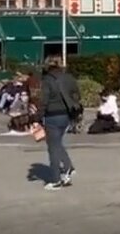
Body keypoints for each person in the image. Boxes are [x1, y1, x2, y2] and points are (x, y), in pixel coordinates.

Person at [40, 56, 82, 191]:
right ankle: (68, 168)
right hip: (66, 115)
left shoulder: (47, 80)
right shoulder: (68, 78)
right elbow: (77, 94)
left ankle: (56, 179)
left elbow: (44, 101)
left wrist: (37, 117)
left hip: (52, 115)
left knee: (52, 148)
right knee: (57, 143)